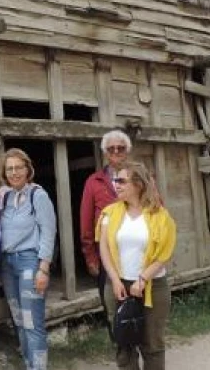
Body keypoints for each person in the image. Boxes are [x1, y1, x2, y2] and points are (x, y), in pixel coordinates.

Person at [97, 161, 177, 370]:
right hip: (118, 284)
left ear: (138, 184)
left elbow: (164, 254)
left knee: (152, 344)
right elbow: (104, 249)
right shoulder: (109, 213)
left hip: (153, 285)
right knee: (124, 343)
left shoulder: (161, 216)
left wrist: (143, 279)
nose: (116, 184)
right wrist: (114, 279)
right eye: (115, 180)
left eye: (121, 180)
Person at [0, 149, 57, 370]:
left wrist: (44, 268)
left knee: (32, 322)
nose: (14, 172)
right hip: (8, 264)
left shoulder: (37, 195)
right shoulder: (6, 197)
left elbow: (48, 232)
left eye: (18, 167)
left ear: (27, 169)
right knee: (19, 320)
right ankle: (28, 363)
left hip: (30, 262)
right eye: (10, 168)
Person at [80, 130, 129, 313]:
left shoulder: (141, 177)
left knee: (137, 301)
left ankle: (139, 340)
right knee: (111, 304)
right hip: (106, 253)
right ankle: (118, 340)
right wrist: (90, 256)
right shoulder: (94, 182)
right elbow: (86, 221)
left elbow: (157, 209)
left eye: (120, 148)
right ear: (105, 153)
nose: (115, 152)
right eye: (111, 149)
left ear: (127, 151)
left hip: (136, 250)